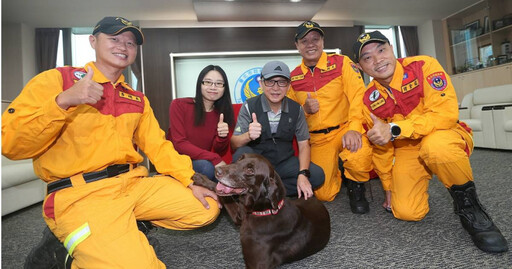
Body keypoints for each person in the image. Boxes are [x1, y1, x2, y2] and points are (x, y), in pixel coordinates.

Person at [2, 16, 221, 268]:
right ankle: (71, 248)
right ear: (93, 41)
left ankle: (119, 228)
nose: (123, 46)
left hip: (132, 185)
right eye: (114, 38)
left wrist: (188, 180)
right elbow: (11, 145)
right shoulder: (56, 81)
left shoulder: (136, 98)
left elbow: (159, 147)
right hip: (81, 194)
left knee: (205, 208)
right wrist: (63, 101)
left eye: (130, 43)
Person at [353, 30, 508, 253]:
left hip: (443, 135)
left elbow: (446, 115)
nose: (377, 60)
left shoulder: (423, 66)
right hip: (406, 149)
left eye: (381, 50)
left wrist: (396, 129)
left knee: (436, 148)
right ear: (359, 66)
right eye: (367, 57)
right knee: (407, 212)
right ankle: (428, 180)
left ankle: (470, 207)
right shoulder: (368, 99)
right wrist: (388, 187)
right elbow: (382, 147)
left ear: (392, 49)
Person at [287, 21, 375, 213]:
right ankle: (341, 171)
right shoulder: (292, 77)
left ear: (322, 41)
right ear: (297, 46)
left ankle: (355, 186)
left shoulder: (342, 63)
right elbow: (289, 115)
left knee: (358, 156)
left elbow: (358, 96)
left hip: (345, 128)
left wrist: (354, 128)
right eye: (304, 40)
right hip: (318, 140)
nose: (310, 44)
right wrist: (304, 109)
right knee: (324, 194)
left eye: (315, 39)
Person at [231, 61, 324, 199]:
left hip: (284, 162)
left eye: (282, 82)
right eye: (270, 81)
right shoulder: (249, 106)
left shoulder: (296, 109)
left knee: (317, 175)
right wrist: (248, 136)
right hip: (258, 163)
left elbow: (304, 144)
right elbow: (234, 143)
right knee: (241, 154)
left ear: (288, 86)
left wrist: (302, 174)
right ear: (262, 83)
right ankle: (267, 190)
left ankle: (263, 192)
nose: (276, 88)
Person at [167, 65, 234, 182]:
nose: (213, 87)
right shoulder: (179, 105)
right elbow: (179, 144)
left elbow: (220, 150)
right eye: (208, 82)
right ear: (200, 84)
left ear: (224, 88)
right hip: (176, 162)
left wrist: (222, 137)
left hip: (202, 161)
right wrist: (215, 159)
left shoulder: (220, 113)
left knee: (228, 177)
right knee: (207, 167)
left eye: (219, 84)